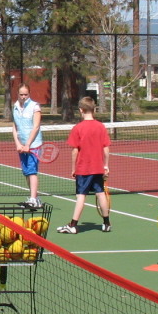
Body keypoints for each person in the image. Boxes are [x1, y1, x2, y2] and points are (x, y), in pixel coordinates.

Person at [57, 97, 111, 233]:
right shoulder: (101, 126)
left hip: (84, 169)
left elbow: (75, 151)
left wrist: (74, 168)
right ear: (94, 109)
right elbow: (106, 149)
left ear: (81, 110)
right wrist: (106, 166)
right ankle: (106, 223)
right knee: (100, 193)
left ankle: (73, 225)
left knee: (81, 196)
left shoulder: (78, 128)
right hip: (98, 168)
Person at [11, 84, 43, 209]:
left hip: (33, 144)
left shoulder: (35, 106)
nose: (24, 97)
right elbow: (14, 127)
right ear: (18, 94)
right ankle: (35, 197)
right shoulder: (15, 107)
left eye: (26, 94)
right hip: (22, 145)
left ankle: (33, 199)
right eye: (21, 94)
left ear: (29, 93)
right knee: (26, 173)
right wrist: (18, 143)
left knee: (32, 171)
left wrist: (28, 144)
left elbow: (36, 127)